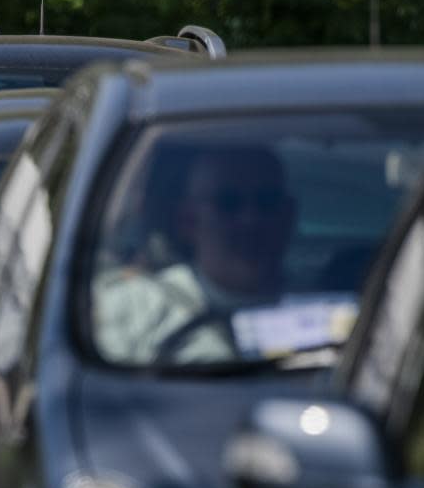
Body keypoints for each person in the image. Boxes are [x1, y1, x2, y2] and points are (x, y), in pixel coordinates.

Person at [93, 145, 296, 365]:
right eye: (228, 203)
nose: (250, 220)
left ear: (288, 215)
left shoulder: (327, 312)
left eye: (267, 202)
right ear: (188, 221)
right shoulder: (132, 308)